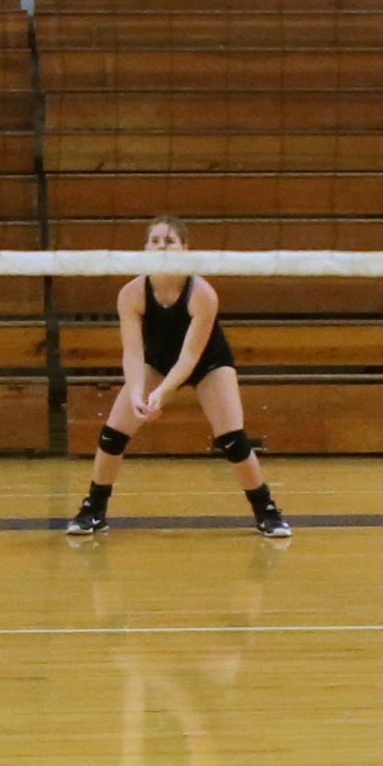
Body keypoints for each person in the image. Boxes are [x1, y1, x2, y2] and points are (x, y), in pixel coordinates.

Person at [62, 218, 289, 541]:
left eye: (169, 241)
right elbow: (132, 353)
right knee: (113, 435)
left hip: (208, 363)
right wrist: (137, 392)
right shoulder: (131, 294)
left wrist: (163, 393)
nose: (161, 247)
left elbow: (190, 357)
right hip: (157, 362)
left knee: (233, 441)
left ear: (185, 249)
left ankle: (267, 511)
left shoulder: (202, 294)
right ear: (145, 249)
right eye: (154, 241)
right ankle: (94, 510)